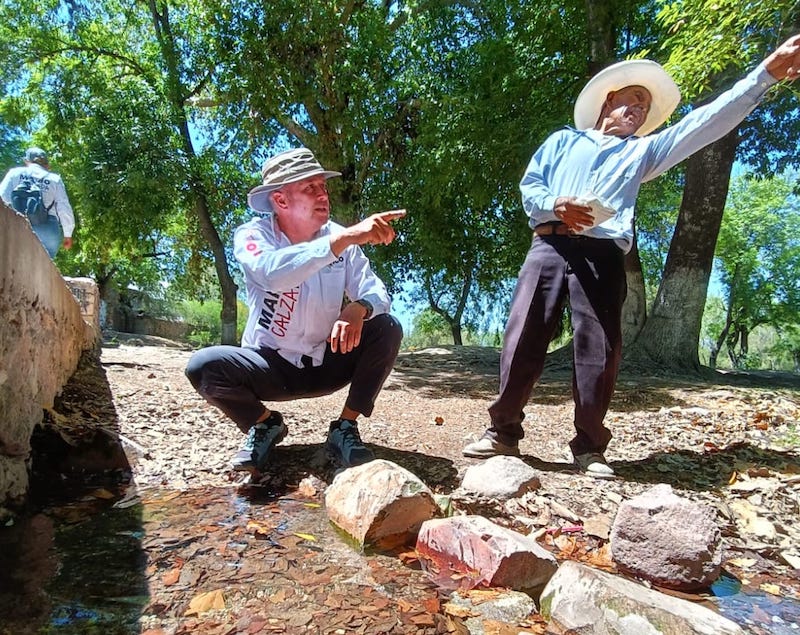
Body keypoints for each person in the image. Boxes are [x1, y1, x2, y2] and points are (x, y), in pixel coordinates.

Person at [463, 35, 800, 478]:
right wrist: (555, 206)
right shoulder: (562, 142)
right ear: (608, 100)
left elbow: (701, 125)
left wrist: (764, 76)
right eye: (632, 100)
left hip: (603, 254)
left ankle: (589, 447)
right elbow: (531, 187)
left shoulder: (642, 152)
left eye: (644, 108)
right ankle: (503, 433)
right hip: (548, 244)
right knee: (523, 337)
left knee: (599, 348)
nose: (639, 110)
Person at [186, 147, 405, 473]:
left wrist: (359, 307)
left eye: (323, 186)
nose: (323, 195)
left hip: (328, 362)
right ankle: (263, 424)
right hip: (270, 368)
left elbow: (376, 291)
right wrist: (343, 240)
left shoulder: (339, 238)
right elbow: (272, 272)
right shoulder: (253, 236)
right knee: (203, 366)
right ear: (281, 201)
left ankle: (344, 427)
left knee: (387, 327)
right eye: (310, 187)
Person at [0, 147, 76, 258]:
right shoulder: (54, 179)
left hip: (17, 226)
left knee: (13, 263)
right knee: (43, 268)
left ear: (26, 161)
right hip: (47, 229)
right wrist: (68, 235)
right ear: (46, 164)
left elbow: (3, 199)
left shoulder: (14, 173)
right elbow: (64, 208)